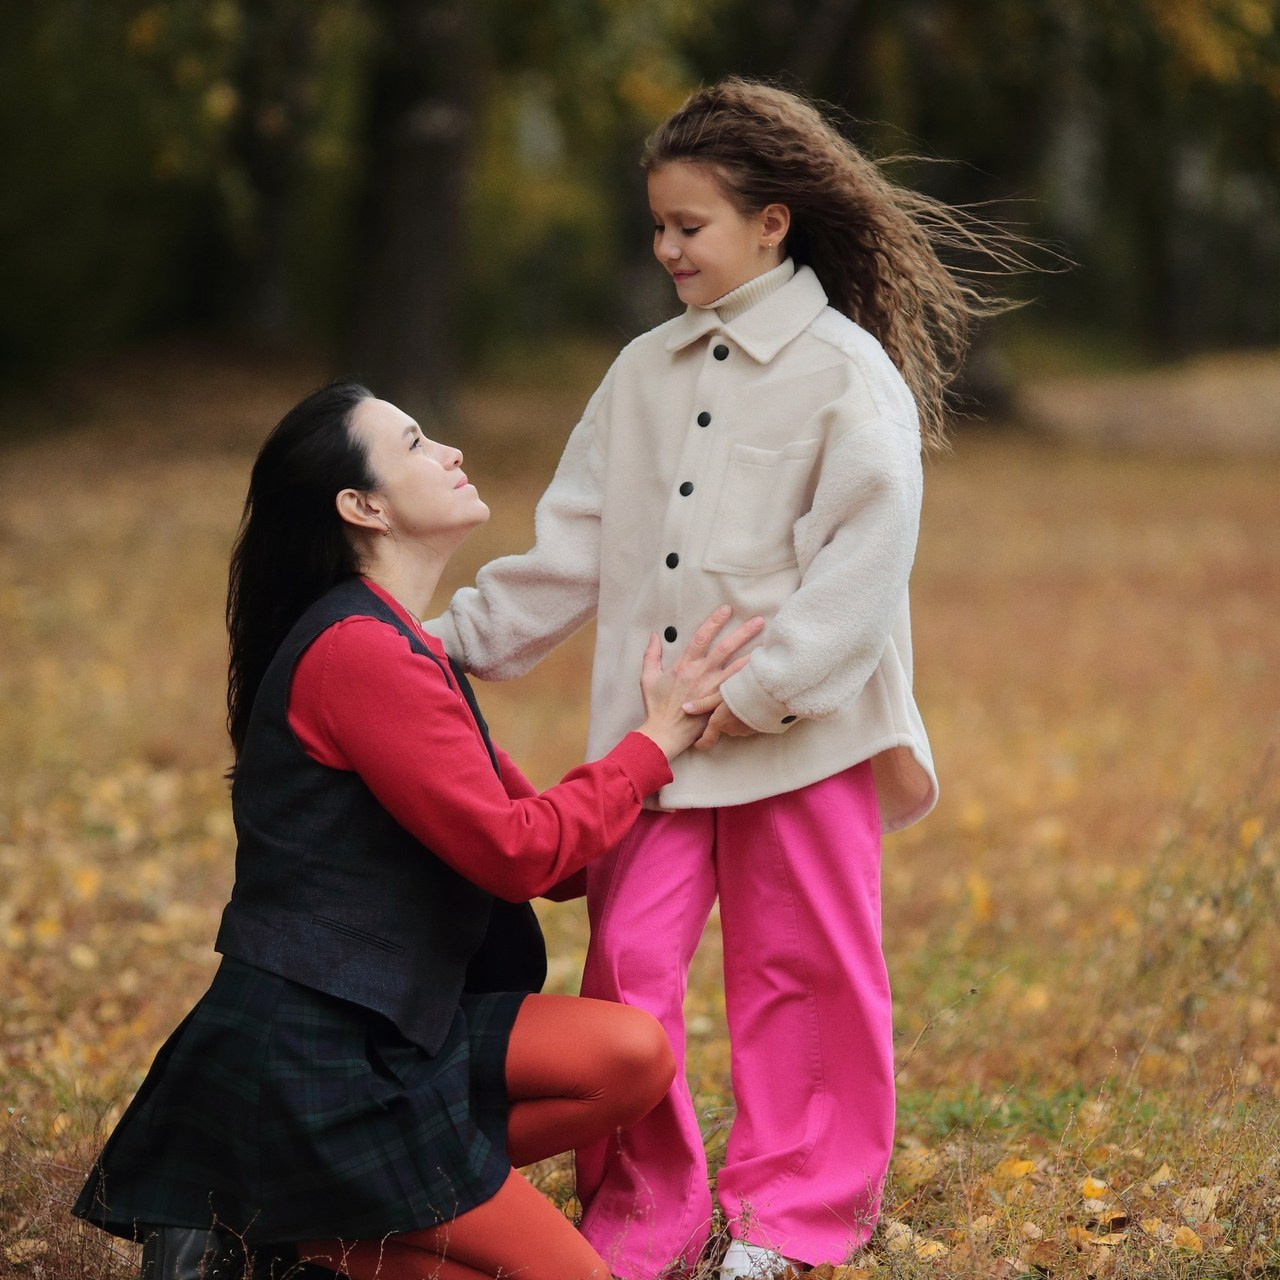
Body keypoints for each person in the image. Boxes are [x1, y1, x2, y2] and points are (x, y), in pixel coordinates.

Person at [427, 79, 1025, 1279]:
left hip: (795, 740)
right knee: (624, 978)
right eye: (655, 226)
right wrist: (438, 643)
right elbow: (570, 550)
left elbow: (861, 567)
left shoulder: (848, 373)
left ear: (772, 222)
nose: (664, 249)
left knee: (802, 974)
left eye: (688, 226)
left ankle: (790, 1219)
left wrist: (752, 695)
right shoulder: (638, 373)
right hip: (648, 747)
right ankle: (641, 1212)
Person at [71, 381, 764, 1280]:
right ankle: (289, 1232)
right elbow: (519, 854)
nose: (450, 453)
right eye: (415, 444)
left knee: (631, 1058)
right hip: (320, 1054)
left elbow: (546, 854)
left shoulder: (403, 643)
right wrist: (652, 742)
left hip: (403, 1033)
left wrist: (698, 795)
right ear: (363, 506)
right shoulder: (356, 652)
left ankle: (298, 1228)